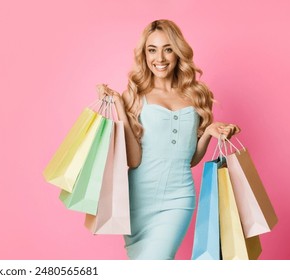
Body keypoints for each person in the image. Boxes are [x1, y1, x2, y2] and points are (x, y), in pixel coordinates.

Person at [97, 19, 240, 260]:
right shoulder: (135, 95)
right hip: (138, 199)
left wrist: (208, 133)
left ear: (178, 52)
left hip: (179, 197)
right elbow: (134, 160)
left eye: (168, 49)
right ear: (144, 54)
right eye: (152, 49)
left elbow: (190, 159)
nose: (159, 58)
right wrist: (121, 108)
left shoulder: (196, 95)